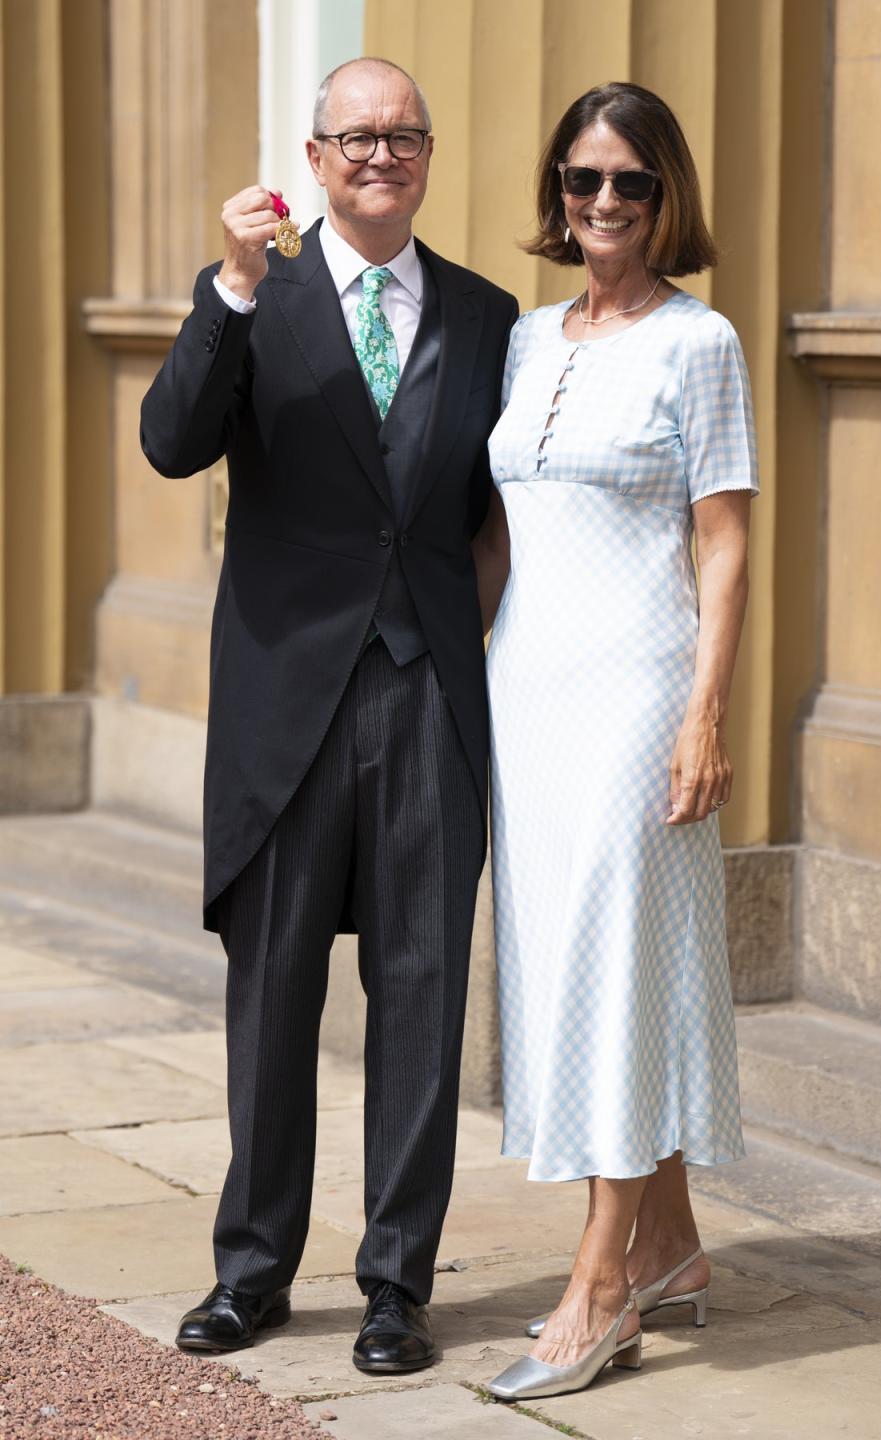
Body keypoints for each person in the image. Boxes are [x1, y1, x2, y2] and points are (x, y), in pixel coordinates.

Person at [140, 57, 517, 1374]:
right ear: (314, 157)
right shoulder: (265, 297)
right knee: (275, 994)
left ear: (425, 156)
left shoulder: (486, 315)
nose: (380, 155)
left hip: (427, 699)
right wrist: (230, 290)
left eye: (403, 135)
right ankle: (250, 1275)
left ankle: (396, 1287)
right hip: (284, 701)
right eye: (355, 138)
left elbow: (503, 507)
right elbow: (172, 440)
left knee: (420, 993)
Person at [472, 82, 758, 1401]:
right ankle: (676, 1243)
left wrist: (706, 712)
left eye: (629, 186)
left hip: (639, 691)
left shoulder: (700, 343)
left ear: (665, 200)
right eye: (583, 181)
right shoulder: (529, 341)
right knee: (576, 959)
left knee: (617, 966)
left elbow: (725, 536)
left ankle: (601, 1286)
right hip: (526, 690)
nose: (602, 206)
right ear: (559, 192)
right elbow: (496, 534)